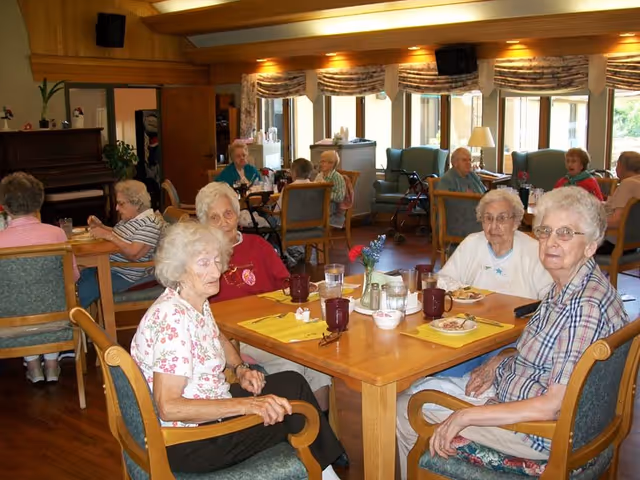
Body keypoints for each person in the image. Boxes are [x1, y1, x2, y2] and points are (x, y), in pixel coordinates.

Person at [396, 186, 629, 480]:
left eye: (566, 233)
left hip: (535, 433)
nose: (550, 242)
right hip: (515, 397)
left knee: (406, 407)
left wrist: (466, 415)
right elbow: (544, 356)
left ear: (591, 245)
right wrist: (500, 360)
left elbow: (552, 406)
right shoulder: (571, 286)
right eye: (545, 231)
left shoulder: (584, 306)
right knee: (419, 389)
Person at [130, 222, 344, 478]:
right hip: (192, 439)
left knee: (293, 382)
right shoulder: (172, 319)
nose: (215, 271)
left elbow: (217, 337)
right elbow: (169, 407)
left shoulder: (191, 300)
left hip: (208, 411)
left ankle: (325, 469)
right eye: (203, 263)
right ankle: (323, 471)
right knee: (296, 411)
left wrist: (240, 369)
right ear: (178, 269)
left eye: (217, 261)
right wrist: (249, 406)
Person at [195, 182, 333, 409]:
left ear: (237, 214)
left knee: (316, 360)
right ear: (204, 223)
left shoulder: (257, 245)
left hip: (272, 327)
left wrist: (304, 287)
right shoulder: (201, 257)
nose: (224, 223)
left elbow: (284, 282)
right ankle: (299, 429)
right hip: (235, 337)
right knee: (293, 365)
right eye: (214, 218)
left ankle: (321, 428)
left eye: (228, 213)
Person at [0, 172, 80, 383]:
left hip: (9, 327)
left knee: (20, 300)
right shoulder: (56, 235)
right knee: (51, 298)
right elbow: (72, 277)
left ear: (5, 206)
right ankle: (52, 365)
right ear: (39, 202)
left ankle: (34, 367)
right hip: (57, 323)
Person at [438, 189, 552, 300]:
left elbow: (550, 298)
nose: (493, 226)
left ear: (516, 222)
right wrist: (467, 294)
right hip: (472, 316)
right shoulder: (471, 244)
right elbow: (443, 280)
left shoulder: (534, 251)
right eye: (488, 218)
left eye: (502, 218)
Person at [76, 180, 164, 308]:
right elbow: (120, 235)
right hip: (111, 268)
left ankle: (70, 323)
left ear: (137, 203)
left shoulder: (149, 224)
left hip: (125, 275)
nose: (117, 208)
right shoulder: (132, 219)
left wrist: (107, 235)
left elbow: (134, 254)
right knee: (76, 276)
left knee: (84, 288)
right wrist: (101, 227)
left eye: (121, 204)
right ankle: (81, 320)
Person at [598, 151, 640, 254]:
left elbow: (617, 221)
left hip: (613, 244)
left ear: (621, 166)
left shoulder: (628, 184)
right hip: (633, 244)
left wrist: (589, 223)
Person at [314, 150, 346, 228]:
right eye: (321, 161)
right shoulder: (320, 175)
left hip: (332, 209)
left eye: (323, 162)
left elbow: (340, 197)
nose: (320, 164)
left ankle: (310, 234)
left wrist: (324, 193)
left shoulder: (337, 177)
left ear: (332, 164)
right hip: (321, 205)